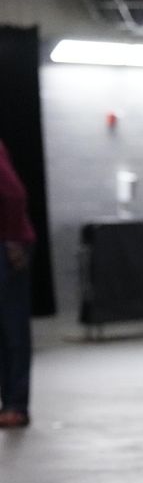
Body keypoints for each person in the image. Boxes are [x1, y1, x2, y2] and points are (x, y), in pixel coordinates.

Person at [0, 140, 36, 429]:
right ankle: (9, 402)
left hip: (7, 245)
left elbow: (13, 194)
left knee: (12, 328)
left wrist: (11, 239)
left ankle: (16, 406)